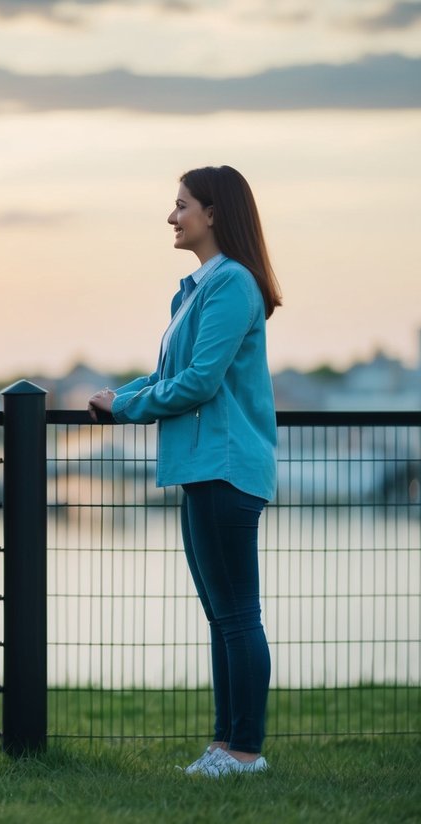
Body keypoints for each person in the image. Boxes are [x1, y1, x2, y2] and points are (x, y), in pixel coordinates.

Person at [88, 165, 281, 777]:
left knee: (236, 614)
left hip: (224, 467)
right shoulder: (198, 288)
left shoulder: (231, 285)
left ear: (214, 213)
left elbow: (198, 383)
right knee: (222, 615)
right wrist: (119, 396)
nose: (172, 217)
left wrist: (126, 408)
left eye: (181, 205)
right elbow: (169, 374)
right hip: (200, 467)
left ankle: (245, 751)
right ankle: (225, 747)